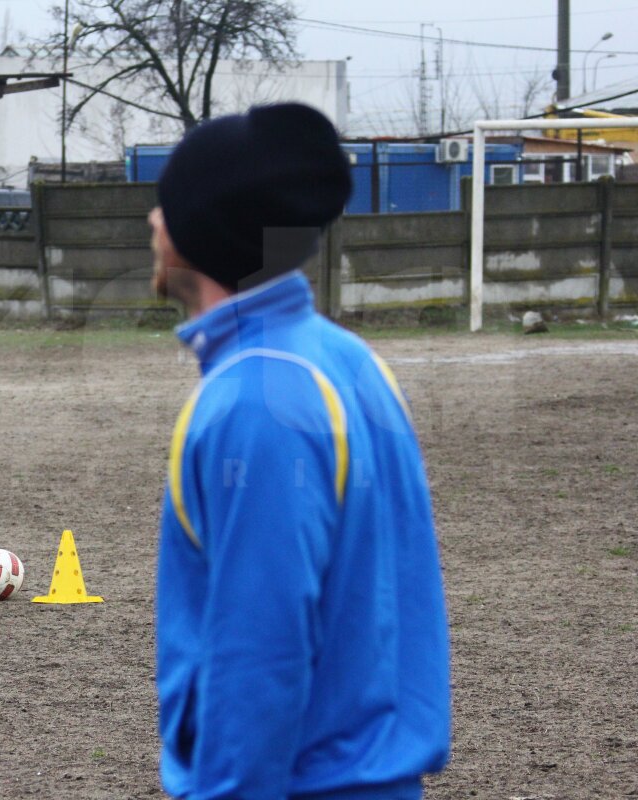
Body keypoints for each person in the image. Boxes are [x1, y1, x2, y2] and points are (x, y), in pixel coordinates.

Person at [150, 104, 450, 799]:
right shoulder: (346, 358)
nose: (153, 222)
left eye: (166, 206)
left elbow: (261, 652)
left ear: (201, 229)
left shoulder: (255, 397)